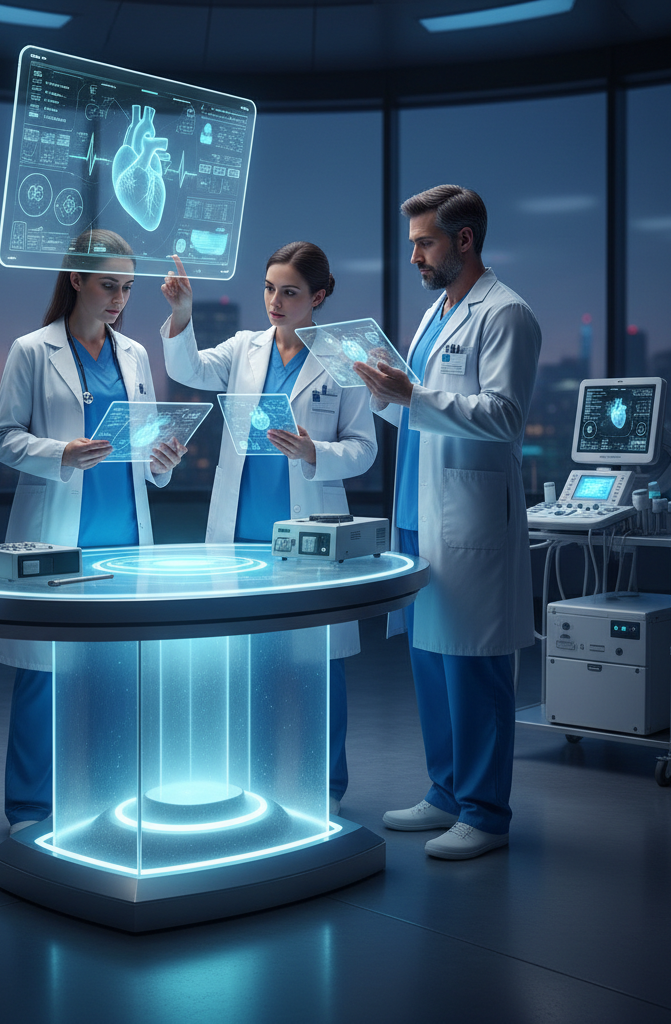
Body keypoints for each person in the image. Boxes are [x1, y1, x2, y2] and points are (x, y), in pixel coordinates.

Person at [353, 185, 541, 860]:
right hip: (417, 510)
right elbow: (417, 410)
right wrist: (382, 393)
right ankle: (445, 792)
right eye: (412, 244)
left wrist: (413, 394)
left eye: (425, 242)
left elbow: (503, 417)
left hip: (468, 518)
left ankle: (486, 815)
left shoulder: (507, 314)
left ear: (465, 241)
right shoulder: (436, 312)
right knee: (430, 661)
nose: (415, 257)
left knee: (476, 667)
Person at [160, 242, 378, 815]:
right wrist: (183, 316)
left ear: (320, 297)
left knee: (317, 666)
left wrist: (314, 451)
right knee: (249, 664)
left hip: (309, 536)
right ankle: (255, 782)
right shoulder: (243, 349)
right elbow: (187, 369)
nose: (275, 302)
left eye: (290, 292)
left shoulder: (343, 357)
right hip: (242, 536)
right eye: (269, 288)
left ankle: (325, 791)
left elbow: (363, 451)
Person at [0, 228, 186, 835]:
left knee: (119, 677)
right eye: (109, 285)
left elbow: (144, 444)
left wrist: (163, 461)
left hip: (124, 539)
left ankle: (110, 796)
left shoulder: (134, 355)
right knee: (43, 677)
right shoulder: (31, 350)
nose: (120, 298)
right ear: (75, 279)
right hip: (60, 538)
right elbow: (3, 438)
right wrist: (61, 453)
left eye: (127, 287)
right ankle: (30, 809)